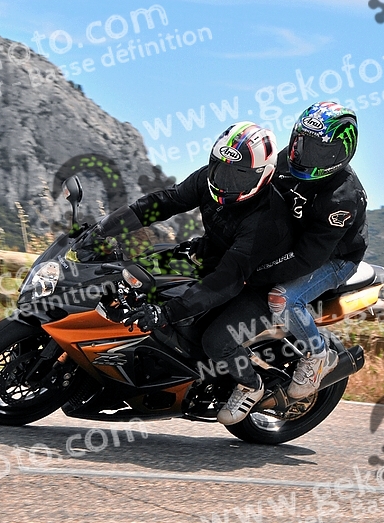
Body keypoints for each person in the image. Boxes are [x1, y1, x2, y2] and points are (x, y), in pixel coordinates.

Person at [122, 121, 285, 425]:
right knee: (152, 270)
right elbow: (168, 201)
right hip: (221, 260)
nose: (226, 181)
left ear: (263, 176)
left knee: (217, 341)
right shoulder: (209, 180)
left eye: (238, 175)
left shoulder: (265, 220)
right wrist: (111, 225)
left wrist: (165, 313)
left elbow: (225, 282)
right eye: (221, 169)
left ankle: (251, 385)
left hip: (261, 285)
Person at [256, 101, 369, 400]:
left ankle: (318, 355)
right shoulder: (287, 160)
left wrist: (258, 271)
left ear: (340, 152)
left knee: (282, 299)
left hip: (334, 258)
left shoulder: (342, 197)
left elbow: (309, 257)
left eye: (319, 150)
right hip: (296, 240)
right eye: (302, 143)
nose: (306, 155)